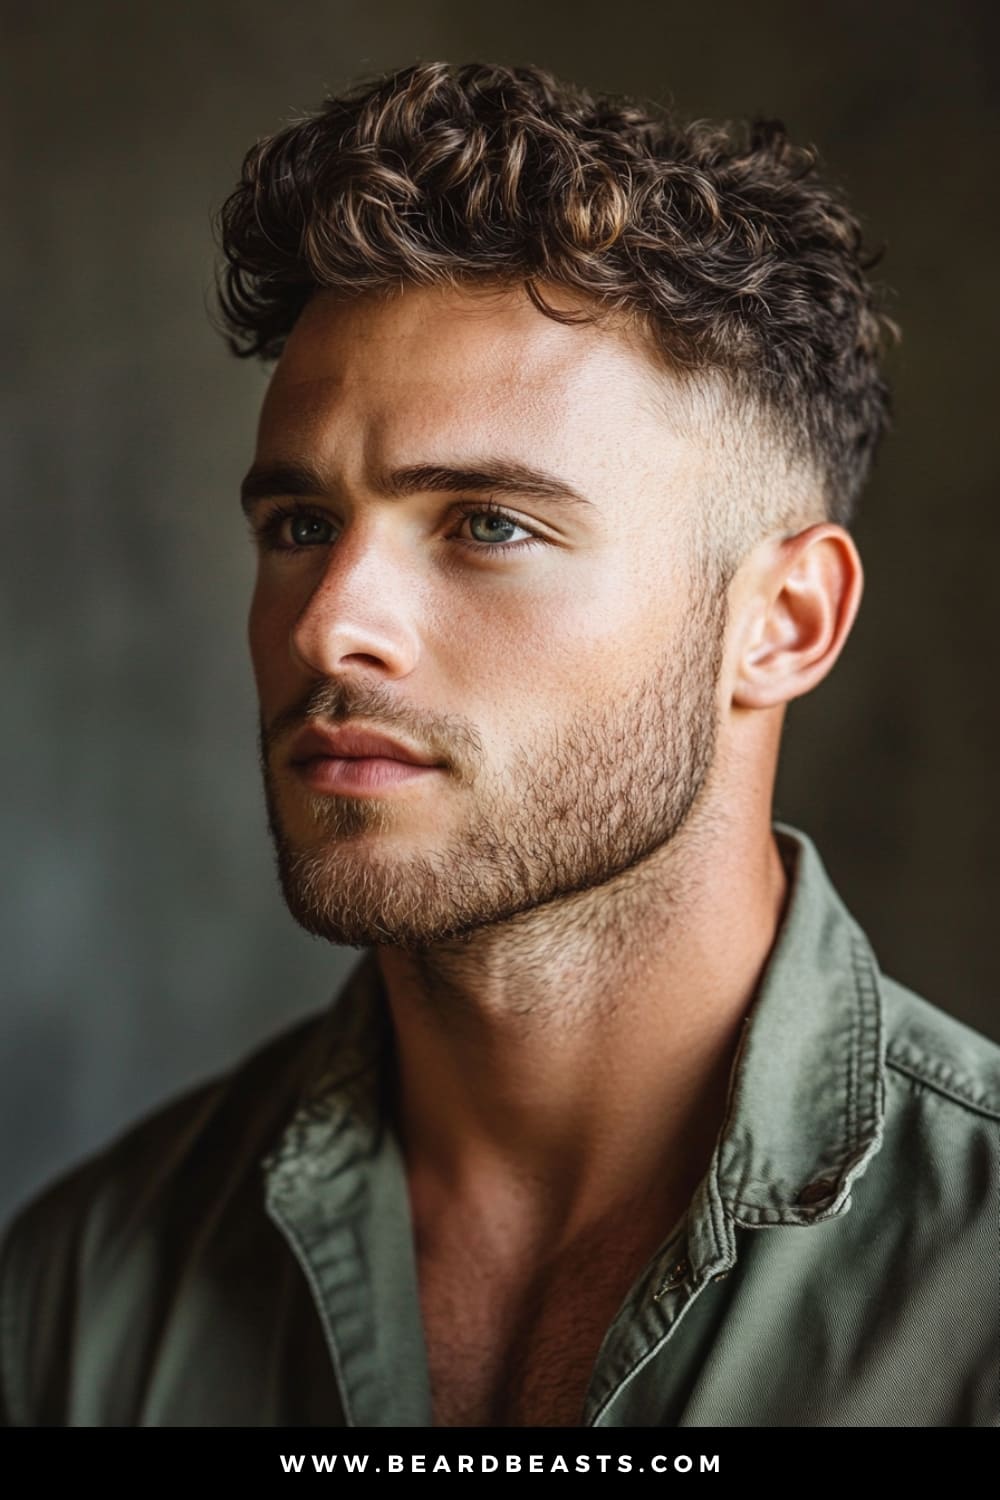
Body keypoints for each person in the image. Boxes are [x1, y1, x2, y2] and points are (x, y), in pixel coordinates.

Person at [2, 59, 997, 1430]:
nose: (330, 628)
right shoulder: (89, 1290)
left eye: (490, 524)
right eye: (300, 526)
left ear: (784, 621)